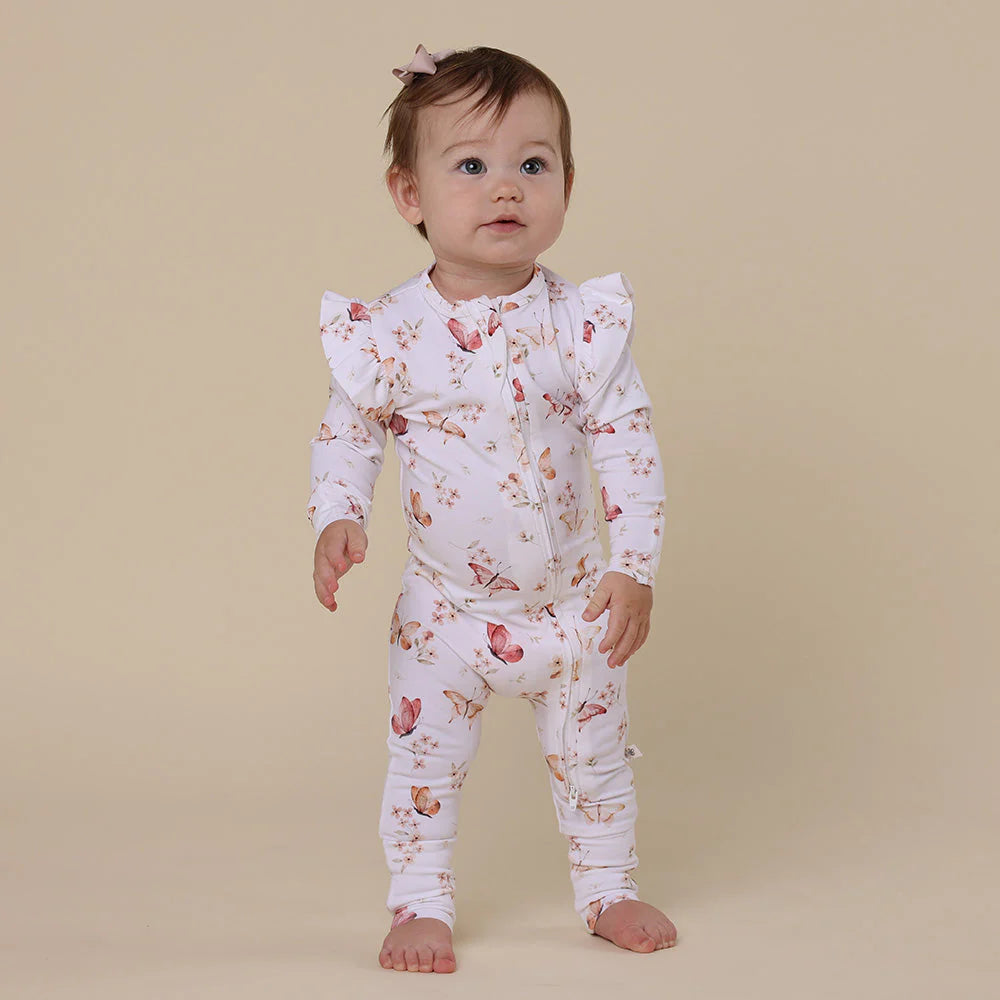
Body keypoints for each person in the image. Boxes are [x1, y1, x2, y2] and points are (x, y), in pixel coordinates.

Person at [307, 44, 677, 973]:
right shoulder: (390, 335)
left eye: (534, 164)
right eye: (471, 165)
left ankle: (608, 887)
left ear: (566, 186)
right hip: (445, 612)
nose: (505, 187)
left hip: (576, 602)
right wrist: (337, 515)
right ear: (410, 194)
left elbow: (627, 444)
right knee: (423, 762)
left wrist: (633, 566)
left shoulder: (584, 327)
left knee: (595, 757)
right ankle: (419, 901)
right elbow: (348, 434)